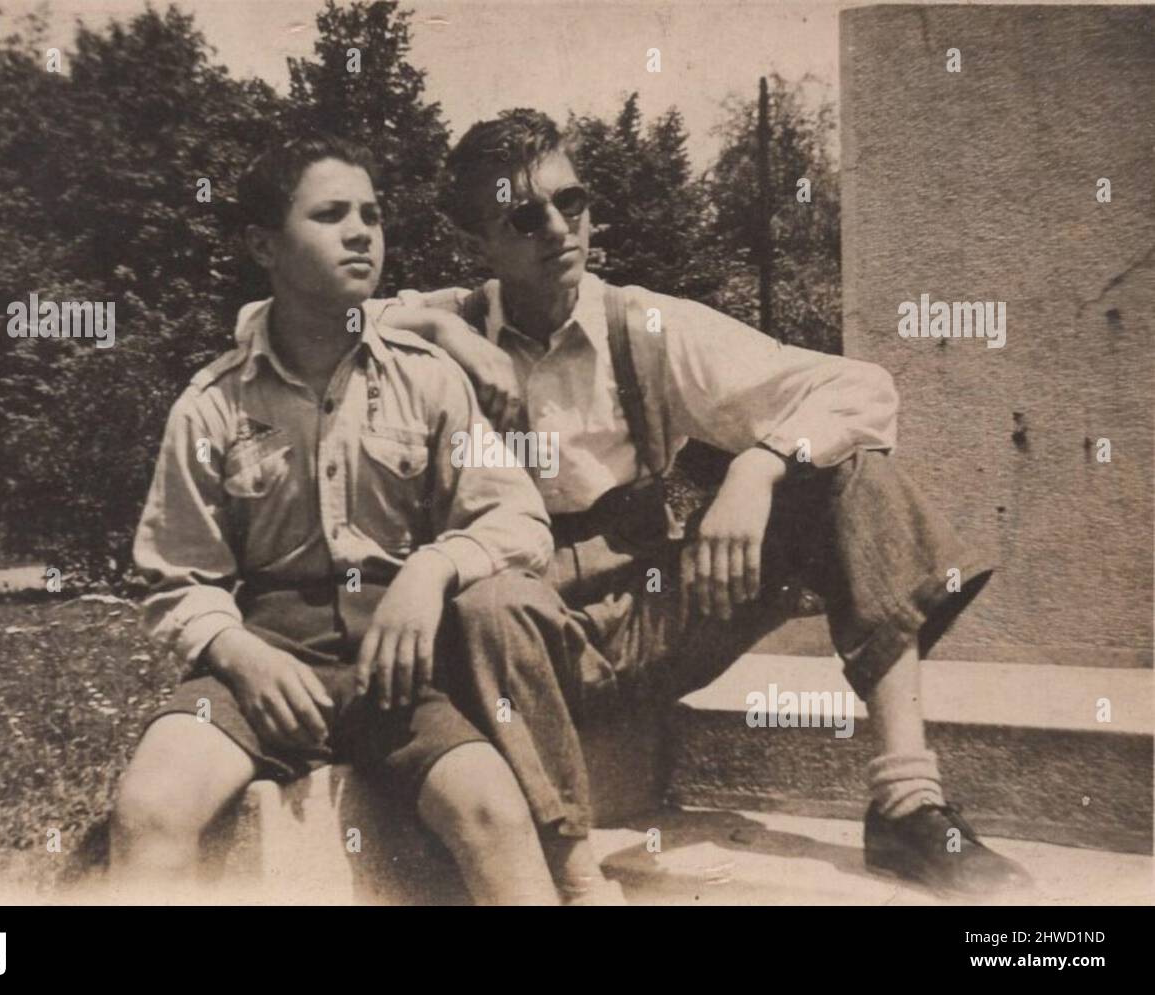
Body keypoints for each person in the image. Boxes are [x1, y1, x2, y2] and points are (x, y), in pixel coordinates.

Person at [372, 109, 1033, 897]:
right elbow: (282, 327)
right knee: (491, 602)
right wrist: (448, 334)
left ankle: (907, 802)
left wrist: (756, 467)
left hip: (655, 615)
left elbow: (859, 388)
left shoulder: (640, 323)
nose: (558, 228)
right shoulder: (447, 327)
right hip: (520, 630)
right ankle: (569, 868)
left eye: (571, 201)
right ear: (481, 241)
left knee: (847, 474)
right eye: (524, 215)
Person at [111, 130, 608, 905]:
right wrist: (241, 654)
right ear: (264, 246)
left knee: (493, 811)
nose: (360, 233)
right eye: (331, 214)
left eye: (372, 215)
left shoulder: (427, 380)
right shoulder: (213, 402)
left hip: (398, 676)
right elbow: (175, 574)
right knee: (149, 808)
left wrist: (432, 567)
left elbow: (518, 522)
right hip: (262, 670)